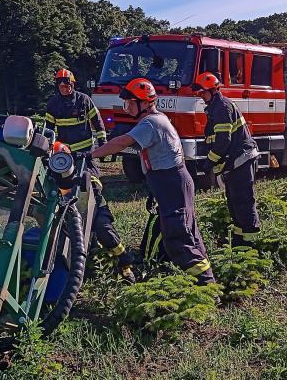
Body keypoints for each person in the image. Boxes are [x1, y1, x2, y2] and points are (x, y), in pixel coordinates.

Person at [91, 78, 215, 285]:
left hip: (172, 183)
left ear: (143, 103)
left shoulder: (151, 123)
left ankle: (207, 284)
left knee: (178, 236)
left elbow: (122, 142)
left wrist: (91, 154)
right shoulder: (152, 121)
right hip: (168, 182)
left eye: (130, 102)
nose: (127, 107)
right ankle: (201, 279)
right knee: (185, 232)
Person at [45, 68, 134, 282]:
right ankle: (78, 247)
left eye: (67, 84)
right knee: (65, 200)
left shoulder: (84, 101)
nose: (64, 88)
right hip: (65, 158)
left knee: (92, 194)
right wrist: (49, 150)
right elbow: (49, 131)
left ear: (73, 84)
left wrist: (102, 144)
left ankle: (108, 250)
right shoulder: (53, 104)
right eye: (60, 85)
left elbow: (98, 122)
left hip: (87, 158)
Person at [193, 72, 260, 246]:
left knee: (244, 202)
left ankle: (250, 245)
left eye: (202, 93)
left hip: (241, 160)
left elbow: (223, 141)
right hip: (235, 162)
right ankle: (239, 240)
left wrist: (209, 162)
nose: (200, 96)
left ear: (213, 90)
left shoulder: (222, 108)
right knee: (234, 203)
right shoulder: (215, 108)